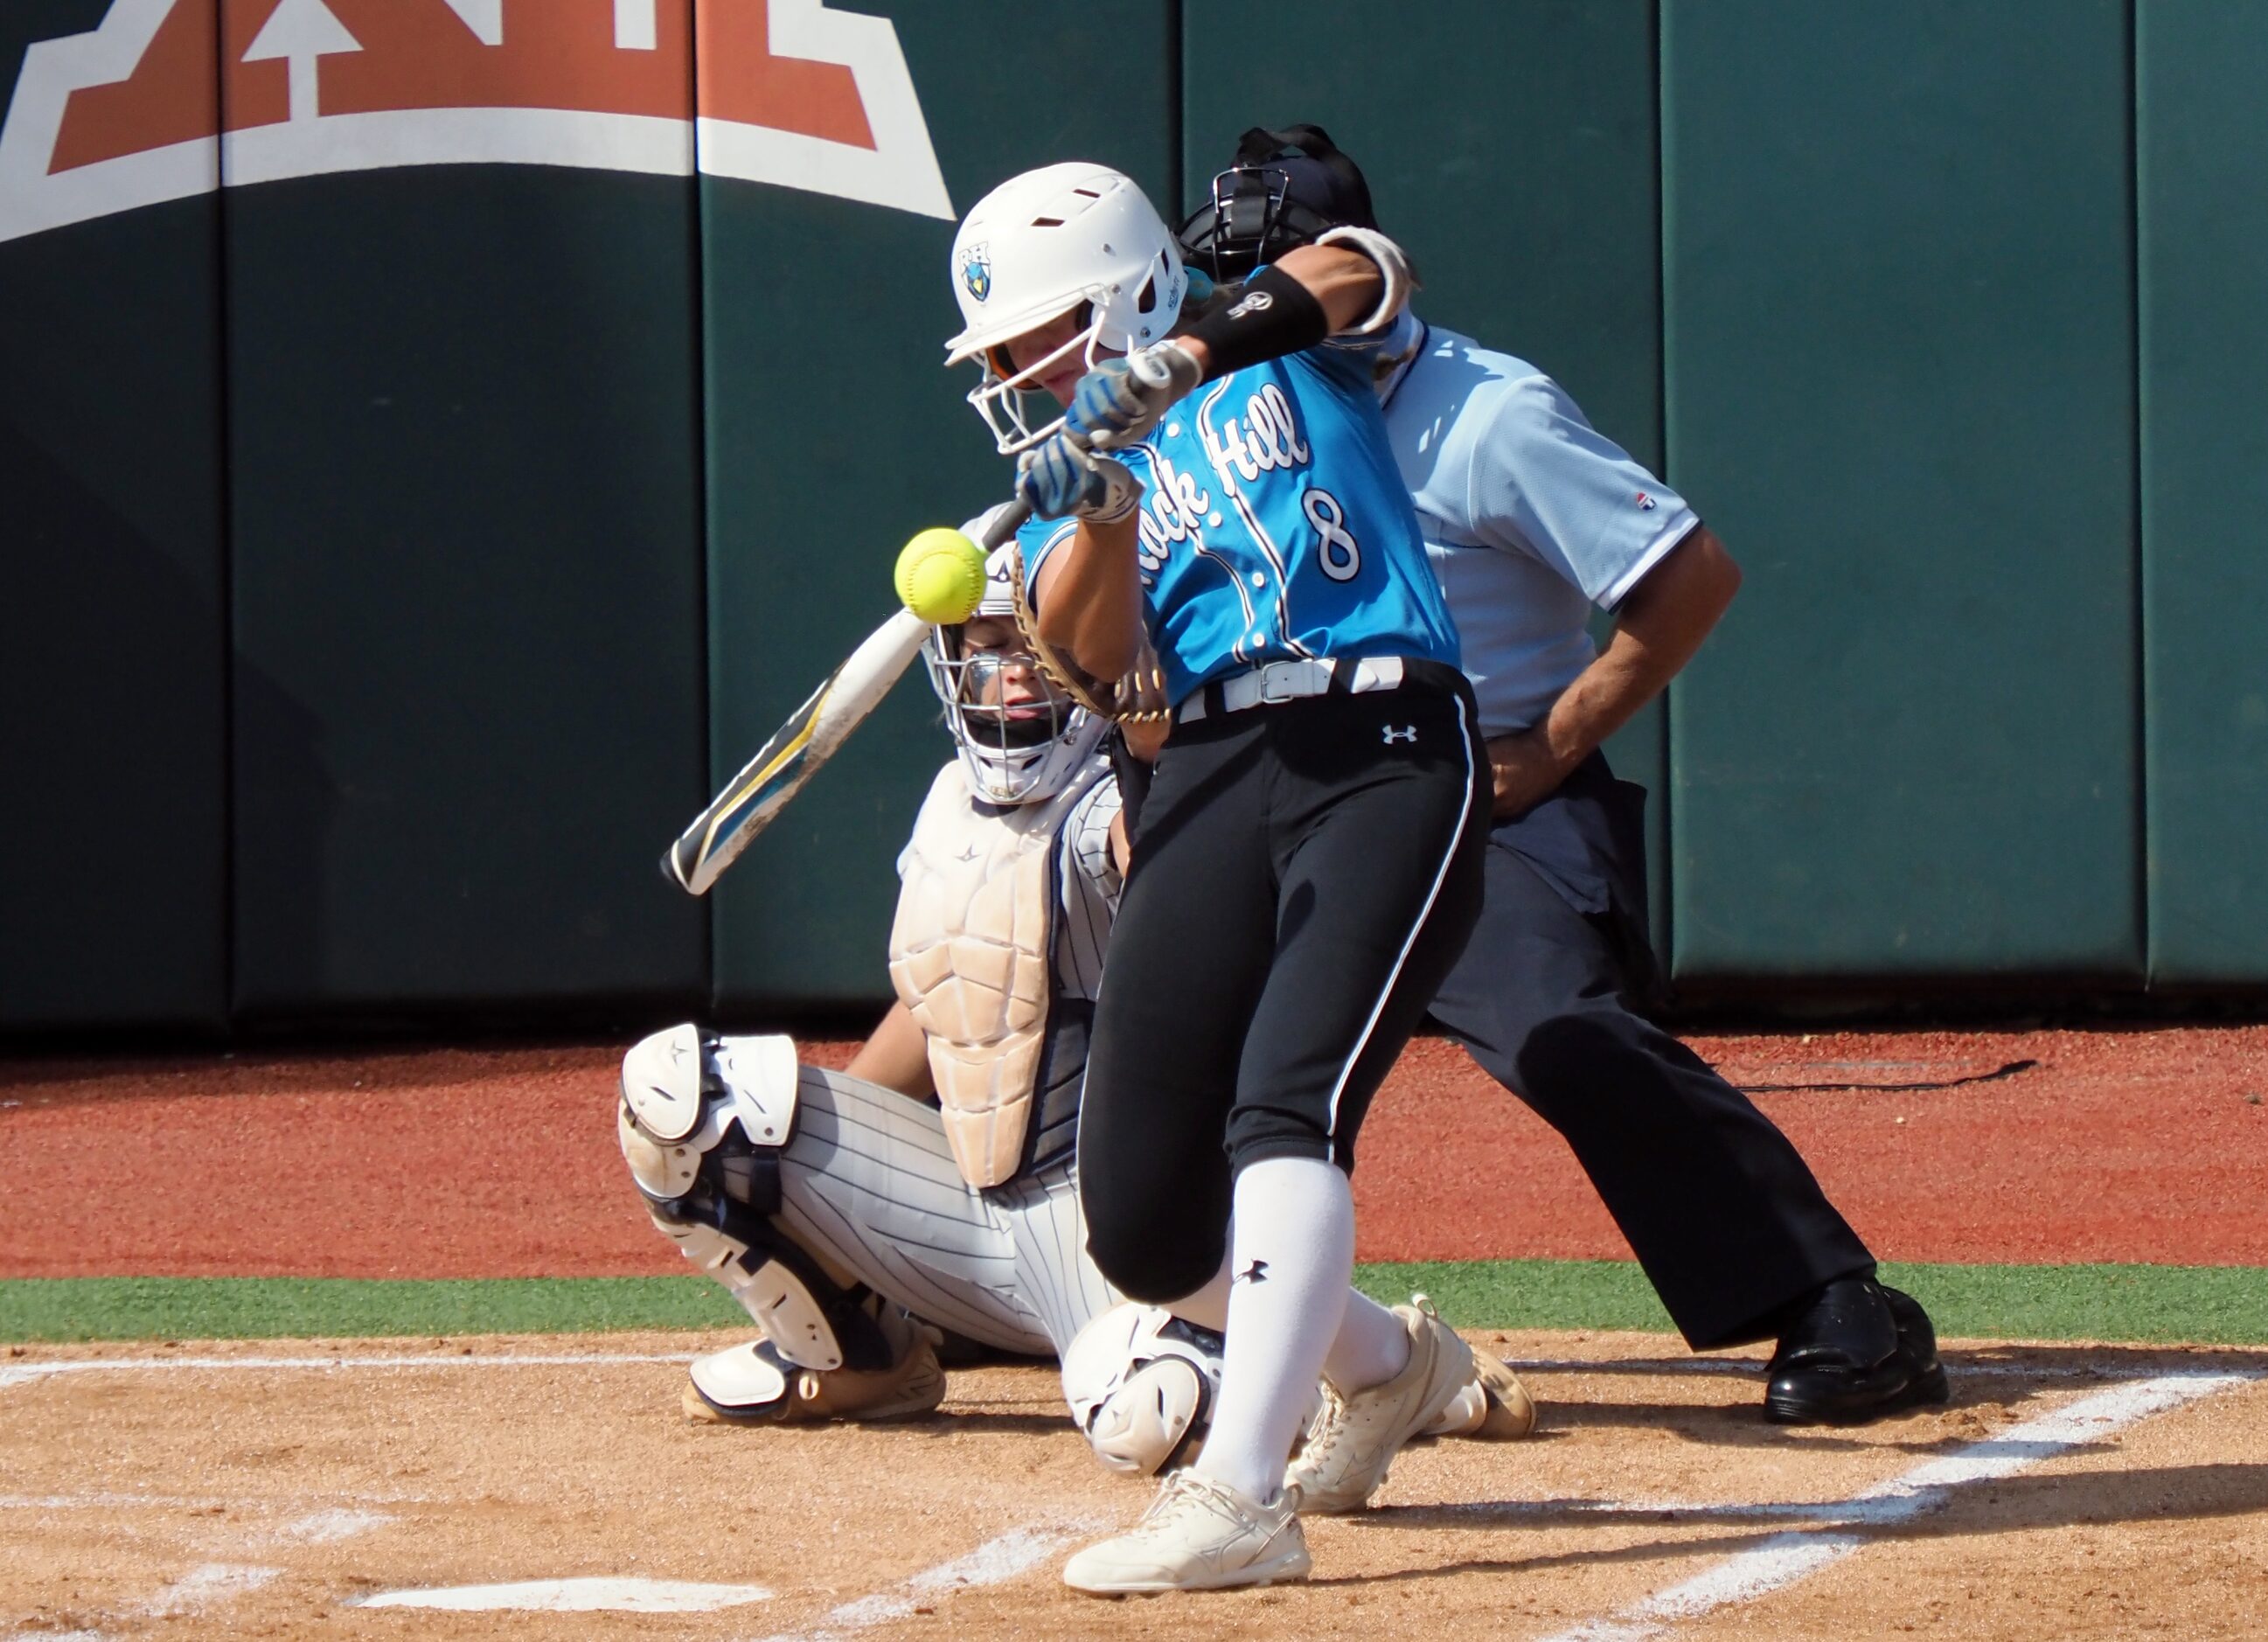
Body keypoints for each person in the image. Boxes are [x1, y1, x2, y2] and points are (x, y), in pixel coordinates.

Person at [1172, 126, 1949, 1425]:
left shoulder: (1487, 414)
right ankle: (1070, 1289)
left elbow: (1686, 578)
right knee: (1130, 989)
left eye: (1266, 275)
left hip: (1481, 793)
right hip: (1291, 785)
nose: (1237, 308)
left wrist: (1557, 742)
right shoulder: (1222, 424)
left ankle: (1835, 1302)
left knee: (1556, 1031)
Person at [615, 546, 1530, 1473]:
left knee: (1150, 1416)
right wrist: (813, 1188)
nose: (1004, 668)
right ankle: (862, 1356)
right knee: (685, 1099)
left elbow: (1180, 900)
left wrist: (1149, 753)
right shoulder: (947, 803)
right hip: (963, 1209)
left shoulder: (1143, 789)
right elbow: (944, 1004)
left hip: (1101, 1241)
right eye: (981, 645)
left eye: (1028, 643)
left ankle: (1394, 1358)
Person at [943, 161, 1494, 1594]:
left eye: (1032, 338)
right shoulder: (1064, 468)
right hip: (1200, 767)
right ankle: (1387, 1363)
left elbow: (1362, 265)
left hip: (1375, 732)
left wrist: (1176, 361)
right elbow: (1088, 661)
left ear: (1123, 288)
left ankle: (1242, 1493)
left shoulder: (1276, 329)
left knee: (1282, 1103)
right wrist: (1108, 506)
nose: (1012, 374)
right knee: (1135, 1220)